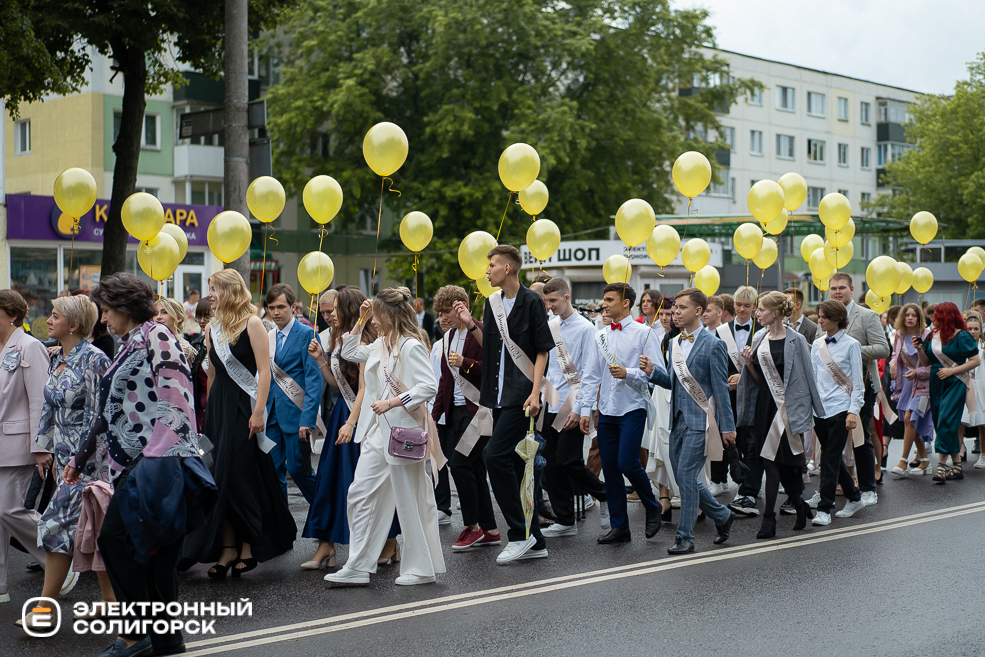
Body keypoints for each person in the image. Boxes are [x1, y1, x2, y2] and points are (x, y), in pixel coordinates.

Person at [67, 274, 215, 656]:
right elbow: (111, 409)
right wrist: (81, 457)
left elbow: (177, 397)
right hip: (134, 463)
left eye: (106, 310)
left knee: (115, 542)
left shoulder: (157, 335)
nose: (102, 319)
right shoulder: (128, 342)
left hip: (156, 464)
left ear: (124, 306)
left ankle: (135, 634)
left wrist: (155, 457)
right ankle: (167, 642)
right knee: (155, 556)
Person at [327, 288, 445, 586]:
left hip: (404, 430)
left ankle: (421, 568)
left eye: (377, 316)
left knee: (408, 499)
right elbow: (349, 351)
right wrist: (362, 317)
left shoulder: (410, 346)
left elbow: (428, 386)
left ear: (390, 316)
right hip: (379, 432)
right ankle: (358, 565)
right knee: (359, 493)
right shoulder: (380, 344)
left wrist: (391, 402)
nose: (374, 322)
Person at [182, 270, 296, 579]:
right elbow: (214, 376)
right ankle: (228, 546)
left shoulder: (253, 323)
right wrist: (205, 416)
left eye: (214, 289)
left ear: (230, 290)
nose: (210, 295)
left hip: (244, 408)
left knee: (241, 476)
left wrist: (259, 412)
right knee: (219, 478)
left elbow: (264, 372)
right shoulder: (214, 328)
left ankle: (249, 543)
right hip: (219, 410)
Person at [18, 296, 114, 629]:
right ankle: (110, 602)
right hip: (64, 459)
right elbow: (49, 408)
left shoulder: (95, 359)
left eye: (55, 316)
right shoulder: (56, 356)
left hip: (89, 462)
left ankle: (44, 608)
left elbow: (100, 416)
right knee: (93, 530)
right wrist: (43, 450)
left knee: (56, 527)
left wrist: (82, 459)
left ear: (74, 325)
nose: (48, 319)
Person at [458, 245, 555, 564]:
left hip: (522, 396)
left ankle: (519, 534)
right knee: (513, 463)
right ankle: (536, 541)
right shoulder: (492, 303)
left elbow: (542, 349)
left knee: (493, 456)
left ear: (508, 269)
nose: (487, 270)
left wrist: (535, 390)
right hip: (497, 396)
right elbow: (491, 347)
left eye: (493, 265)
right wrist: (471, 325)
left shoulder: (530, 302)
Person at [643, 288, 737, 555]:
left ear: (698, 311)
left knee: (685, 475)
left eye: (681, 308)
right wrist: (652, 372)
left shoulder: (714, 345)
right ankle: (722, 516)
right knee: (685, 478)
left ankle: (685, 537)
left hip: (701, 422)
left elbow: (720, 389)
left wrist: (728, 426)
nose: (675, 313)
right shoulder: (674, 343)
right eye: (675, 309)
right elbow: (673, 382)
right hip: (677, 420)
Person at [577, 282, 663, 544]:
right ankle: (620, 526)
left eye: (610, 299)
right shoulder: (600, 334)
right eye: (604, 299)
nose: (605, 304)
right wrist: (585, 409)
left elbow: (657, 372)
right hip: (606, 410)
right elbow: (591, 374)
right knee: (611, 469)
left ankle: (652, 505)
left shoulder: (644, 333)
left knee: (627, 462)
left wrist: (630, 373)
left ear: (626, 303)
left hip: (633, 406)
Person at [302, 287, 380, 569]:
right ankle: (326, 545)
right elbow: (338, 385)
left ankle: (388, 541)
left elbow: (364, 388)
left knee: (363, 483)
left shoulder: (367, 338)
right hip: (342, 415)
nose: (329, 314)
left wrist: (351, 422)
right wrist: (321, 361)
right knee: (330, 480)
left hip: (360, 417)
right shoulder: (338, 338)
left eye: (334, 309)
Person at [736, 292, 824, 538]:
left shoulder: (796, 341)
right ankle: (787, 511)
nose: (757, 313)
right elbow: (758, 381)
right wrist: (748, 364)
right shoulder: (759, 337)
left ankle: (782, 512)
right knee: (772, 464)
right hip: (766, 406)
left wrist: (815, 413)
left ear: (775, 312)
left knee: (785, 466)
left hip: (789, 410)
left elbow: (808, 376)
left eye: (761, 309)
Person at [431, 285, 503, 549]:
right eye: (439, 312)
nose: (443, 317)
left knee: (459, 464)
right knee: (473, 468)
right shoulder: (447, 337)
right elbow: (444, 381)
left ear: (461, 306)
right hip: (455, 413)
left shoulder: (480, 330)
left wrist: (467, 364)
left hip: (479, 411)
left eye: (447, 311)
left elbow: (493, 369)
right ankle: (491, 530)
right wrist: (434, 415)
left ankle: (472, 526)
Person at [539, 278, 608, 537]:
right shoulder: (550, 325)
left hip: (573, 401)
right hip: (551, 401)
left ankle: (605, 495)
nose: (550, 306)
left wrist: (582, 409)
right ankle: (565, 519)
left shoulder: (586, 328)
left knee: (568, 460)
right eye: (547, 301)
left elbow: (590, 372)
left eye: (554, 301)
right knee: (550, 463)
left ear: (567, 297)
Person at [0, 290, 51, 605]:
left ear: (11, 315)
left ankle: (60, 557)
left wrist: (40, 445)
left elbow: (39, 400)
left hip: (18, 444)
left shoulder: (30, 346)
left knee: (9, 509)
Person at [828, 273, 890, 506]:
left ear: (851, 289)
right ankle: (833, 486)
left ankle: (867, 489)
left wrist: (849, 351)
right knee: (830, 440)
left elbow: (883, 349)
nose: (837, 292)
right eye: (833, 288)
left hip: (862, 385)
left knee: (860, 437)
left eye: (841, 287)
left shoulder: (867, 315)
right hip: (832, 387)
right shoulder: (825, 315)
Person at [807, 300, 865, 526]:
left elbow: (858, 384)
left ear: (837, 319)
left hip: (841, 409)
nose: (819, 320)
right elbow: (813, 378)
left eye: (823, 317)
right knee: (833, 458)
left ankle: (824, 508)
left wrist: (853, 411)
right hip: (820, 410)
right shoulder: (817, 344)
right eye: (819, 316)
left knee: (828, 458)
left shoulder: (852, 345)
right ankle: (855, 497)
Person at [265, 283, 323, 503]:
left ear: (294, 307)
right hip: (271, 417)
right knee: (273, 472)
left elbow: (313, 381)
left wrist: (307, 419)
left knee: (300, 471)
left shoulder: (307, 333)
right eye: (271, 307)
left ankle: (326, 511)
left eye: (281, 306)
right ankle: (281, 527)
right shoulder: (269, 336)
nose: (276, 312)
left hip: (296, 416)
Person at [914, 301, 980, 483]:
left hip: (956, 381)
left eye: (938, 315)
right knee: (941, 422)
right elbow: (927, 362)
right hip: (937, 382)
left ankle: (941, 467)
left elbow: (975, 360)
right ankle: (957, 465)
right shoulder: (933, 336)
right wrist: (920, 349)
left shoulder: (962, 336)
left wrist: (951, 371)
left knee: (946, 420)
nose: (934, 318)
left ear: (947, 316)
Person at [726, 286, 761, 516]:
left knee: (753, 443)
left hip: (754, 395)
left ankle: (749, 491)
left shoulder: (763, 330)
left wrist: (746, 375)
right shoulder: (722, 331)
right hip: (728, 395)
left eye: (747, 306)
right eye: (738, 304)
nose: (741, 309)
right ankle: (741, 482)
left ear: (755, 308)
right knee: (733, 441)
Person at [888, 304, 932, 476]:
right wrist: (893, 363)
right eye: (907, 315)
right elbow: (895, 354)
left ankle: (903, 461)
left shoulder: (927, 335)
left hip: (923, 383)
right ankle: (925, 461)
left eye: (914, 315)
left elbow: (932, 364)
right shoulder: (899, 334)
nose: (910, 318)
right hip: (906, 383)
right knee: (910, 422)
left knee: (910, 418)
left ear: (919, 318)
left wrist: (918, 372)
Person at [702, 294, 730, 497]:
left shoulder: (727, 335)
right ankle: (716, 479)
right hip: (705, 394)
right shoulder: (699, 334)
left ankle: (725, 477)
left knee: (726, 436)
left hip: (728, 392)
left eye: (708, 310)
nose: (704, 314)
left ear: (720, 312)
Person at [961, 311, 985, 470]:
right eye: (969, 328)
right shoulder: (961, 345)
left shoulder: (983, 346)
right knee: (959, 422)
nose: (973, 331)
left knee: (982, 424)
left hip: (981, 386)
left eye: (976, 328)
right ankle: (957, 452)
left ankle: (983, 455)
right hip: (965, 386)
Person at [155, 297, 198, 363]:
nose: (158, 317)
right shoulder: (149, 341)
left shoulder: (183, 348)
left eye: (164, 312)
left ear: (179, 318)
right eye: (155, 313)